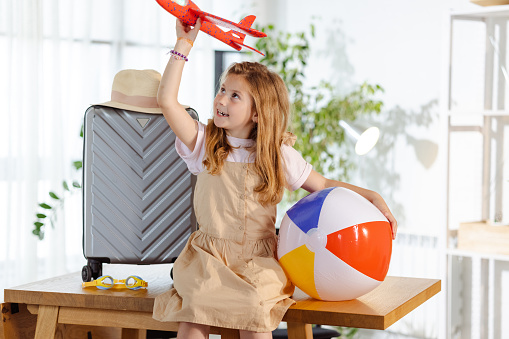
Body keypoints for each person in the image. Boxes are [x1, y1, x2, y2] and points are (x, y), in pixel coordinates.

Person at [152, 18, 398, 339]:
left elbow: (321, 185)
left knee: (255, 313)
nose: (222, 100)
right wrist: (183, 45)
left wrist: (372, 196)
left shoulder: (277, 154)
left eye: (235, 96)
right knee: (194, 313)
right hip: (209, 259)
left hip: (258, 261)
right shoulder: (205, 143)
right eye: (222, 90)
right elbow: (166, 101)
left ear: (257, 112)